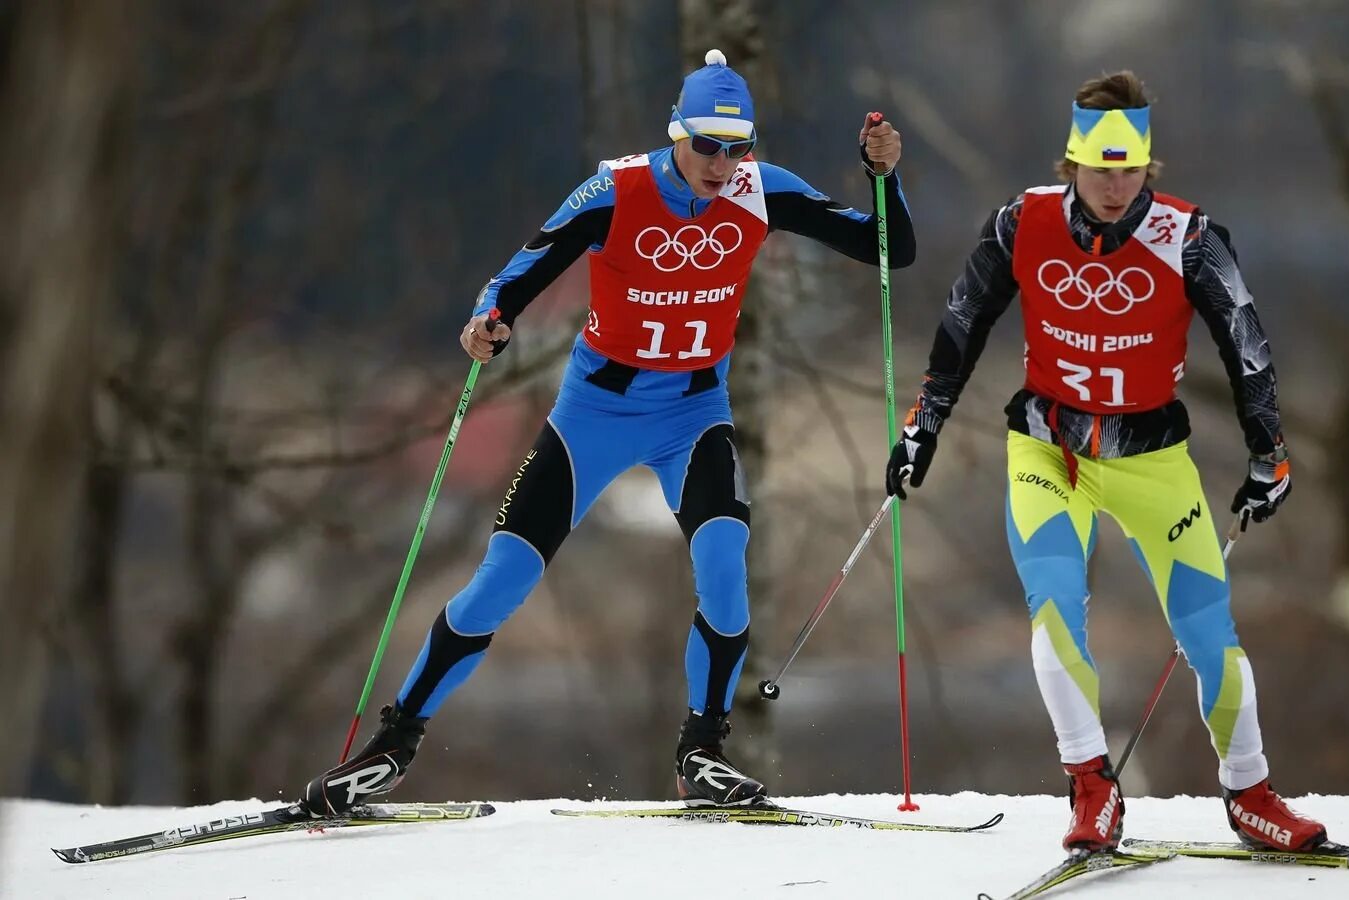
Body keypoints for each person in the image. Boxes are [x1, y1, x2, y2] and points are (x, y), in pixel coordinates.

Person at [303, 49, 913, 816]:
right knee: (501, 584)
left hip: (692, 414)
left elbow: (889, 247)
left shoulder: (760, 191)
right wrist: (487, 323)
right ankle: (395, 742)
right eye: (707, 147)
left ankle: (703, 750)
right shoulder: (617, 188)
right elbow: (521, 271)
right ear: (677, 134)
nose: (723, 165)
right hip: (593, 414)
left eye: (738, 148)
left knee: (725, 563)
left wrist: (884, 178)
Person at [885, 70, 1325, 854]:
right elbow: (962, 323)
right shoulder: (1021, 222)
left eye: (1130, 171)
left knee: (1210, 638)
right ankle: (1091, 788)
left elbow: (1246, 347)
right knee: (1054, 612)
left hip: (1153, 459)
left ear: (1148, 167)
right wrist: (925, 424)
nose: (1114, 186)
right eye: (1100, 169)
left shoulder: (1190, 236)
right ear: (1071, 164)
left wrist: (1271, 454)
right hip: (1048, 450)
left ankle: (1252, 795)